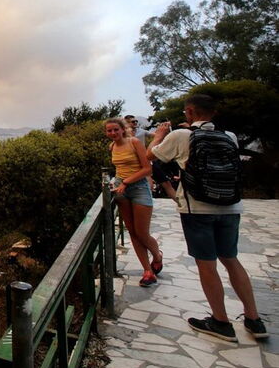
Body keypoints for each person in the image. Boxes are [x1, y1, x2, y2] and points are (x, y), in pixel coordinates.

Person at [147, 94, 267, 342]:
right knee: (232, 260)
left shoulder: (180, 136)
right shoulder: (230, 137)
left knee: (207, 264)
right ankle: (254, 319)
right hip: (230, 207)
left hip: (198, 209)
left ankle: (221, 322)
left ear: (190, 112)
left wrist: (159, 136)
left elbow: (151, 157)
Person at [105, 117, 164, 287]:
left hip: (138, 188)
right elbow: (119, 169)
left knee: (142, 232)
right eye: (109, 130)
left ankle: (157, 256)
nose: (113, 133)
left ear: (123, 129)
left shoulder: (134, 142)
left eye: (116, 129)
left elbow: (147, 168)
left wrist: (126, 182)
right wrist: (116, 182)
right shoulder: (112, 147)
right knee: (132, 231)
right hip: (121, 190)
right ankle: (147, 271)